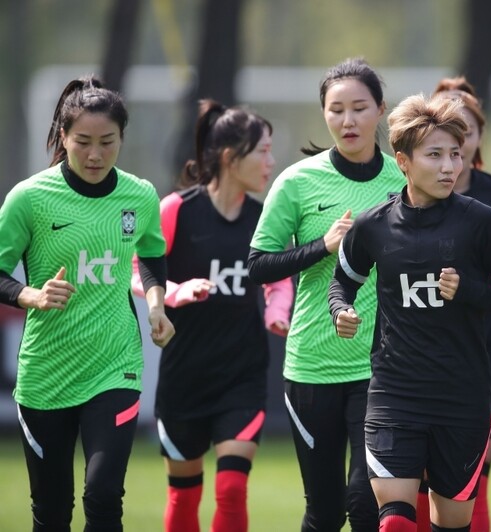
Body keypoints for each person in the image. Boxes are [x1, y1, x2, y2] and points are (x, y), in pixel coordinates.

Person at [329, 93, 491, 532]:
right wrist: (340, 308)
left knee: (451, 522)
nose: (448, 167)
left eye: (455, 155)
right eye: (434, 155)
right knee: (396, 523)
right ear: (403, 161)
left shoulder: (481, 222)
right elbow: (343, 281)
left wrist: (469, 291)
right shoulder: (374, 225)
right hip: (394, 394)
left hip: (462, 396)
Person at [0, 76, 174, 530]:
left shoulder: (139, 195)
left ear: (121, 138)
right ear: (63, 137)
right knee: (52, 512)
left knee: (102, 496)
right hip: (46, 374)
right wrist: (29, 294)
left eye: (107, 142)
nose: (95, 154)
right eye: (83, 142)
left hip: (115, 365)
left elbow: (152, 258)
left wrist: (157, 305)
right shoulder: (29, 198)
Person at [247, 57, 406, 531]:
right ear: (324, 114)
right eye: (337, 110)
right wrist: (324, 246)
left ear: (380, 111)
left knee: (365, 500)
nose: (348, 120)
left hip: (385, 366)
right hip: (312, 365)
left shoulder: (403, 181)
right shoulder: (297, 183)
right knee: (324, 511)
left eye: (360, 108)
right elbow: (258, 265)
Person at [132, 100, 293, 531]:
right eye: (262, 151)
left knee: (232, 489)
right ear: (229, 156)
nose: (270, 162)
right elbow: (137, 268)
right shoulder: (177, 210)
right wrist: (175, 292)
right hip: (185, 377)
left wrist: (278, 309)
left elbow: (278, 280)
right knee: (184, 499)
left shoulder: (265, 220)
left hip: (242, 376)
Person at [411, 77, 491, 532]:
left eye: (463, 130)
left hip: (485, 353)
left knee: (469, 480)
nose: (452, 140)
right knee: (415, 482)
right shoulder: (405, 198)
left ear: (476, 137)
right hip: (420, 354)